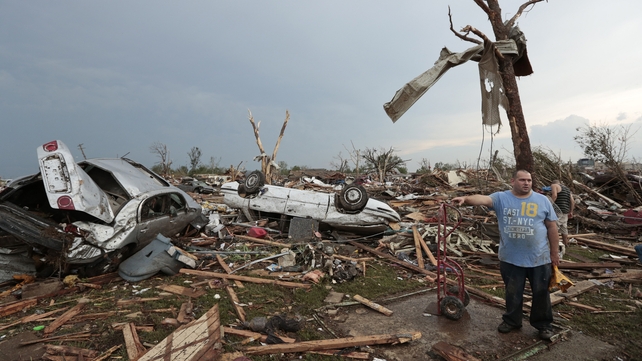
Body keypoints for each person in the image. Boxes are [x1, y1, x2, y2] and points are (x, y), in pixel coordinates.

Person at [451, 170, 560, 340]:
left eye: (529, 180)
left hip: (539, 258)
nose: (526, 183)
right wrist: (465, 199)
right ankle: (512, 321)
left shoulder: (542, 200)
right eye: (522, 180)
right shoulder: (501, 198)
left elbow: (552, 227)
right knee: (512, 292)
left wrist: (554, 253)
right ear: (513, 181)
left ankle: (543, 325)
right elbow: (483, 199)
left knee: (541, 293)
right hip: (511, 258)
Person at [550, 180, 575, 246]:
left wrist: (549, 205)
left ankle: (553, 245)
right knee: (564, 229)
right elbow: (572, 201)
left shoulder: (554, 185)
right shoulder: (567, 189)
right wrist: (571, 211)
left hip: (558, 210)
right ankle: (566, 244)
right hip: (565, 211)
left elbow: (554, 196)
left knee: (554, 227)